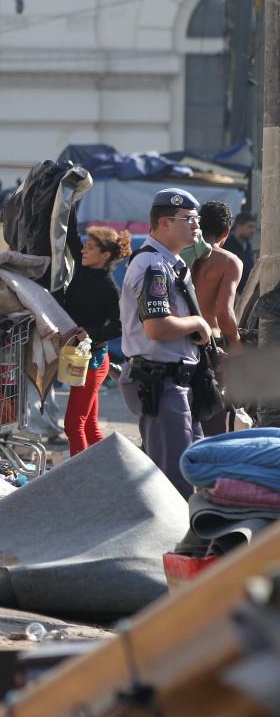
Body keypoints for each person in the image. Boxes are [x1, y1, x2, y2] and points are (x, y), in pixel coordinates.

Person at [118, 188, 213, 497]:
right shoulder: (154, 266)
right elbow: (157, 328)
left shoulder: (170, 263)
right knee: (176, 481)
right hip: (162, 381)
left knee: (194, 473)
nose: (197, 225)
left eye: (197, 218)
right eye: (188, 219)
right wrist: (198, 323)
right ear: (164, 223)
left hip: (178, 381)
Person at [59, 226, 130, 456]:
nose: (83, 251)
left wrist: (90, 335)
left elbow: (119, 327)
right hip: (79, 358)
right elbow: (70, 235)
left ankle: (80, 482)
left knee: (73, 425)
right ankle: (113, 473)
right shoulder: (82, 267)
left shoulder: (109, 288)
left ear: (105, 255)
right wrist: (66, 193)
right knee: (88, 427)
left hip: (94, 362)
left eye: (90, 248)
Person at [189, 201, 243, 436]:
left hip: (175, 341)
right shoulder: (229, 261)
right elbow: (224, 314)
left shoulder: (180, 253)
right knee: (212, 418)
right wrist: (238, 346)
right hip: (210, 347)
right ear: (226, 232)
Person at [222, 210, 256, 287]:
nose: (253, 231)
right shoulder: (226, 244)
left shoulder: (248, 245)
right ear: (239, 225)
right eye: (250, 227)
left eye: (254, 227)